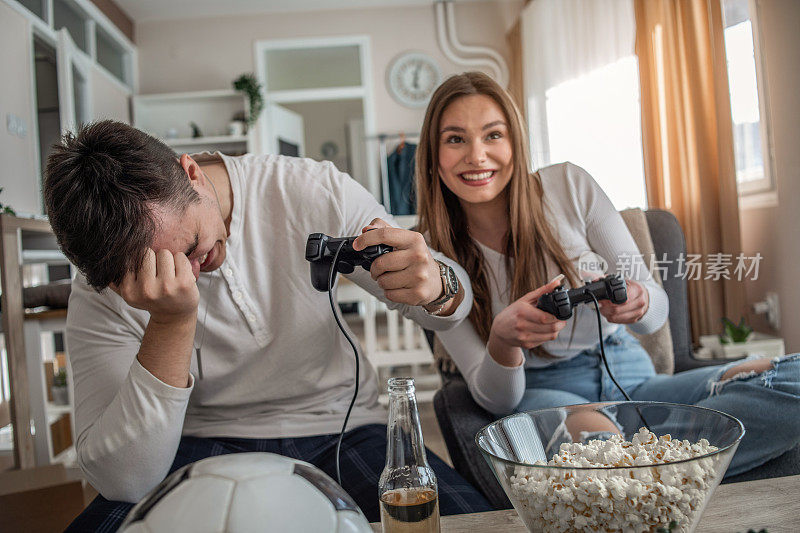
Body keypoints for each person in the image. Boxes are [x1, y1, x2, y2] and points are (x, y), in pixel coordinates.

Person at [45, 120, 492, 531]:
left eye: (193, 245)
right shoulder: (101, 284)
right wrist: (170, 321)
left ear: (191, 174)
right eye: (160, 271)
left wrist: (437, 283)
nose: (191, 272)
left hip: (342, 428)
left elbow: (453, 305)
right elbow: (126, 479)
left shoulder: (307, 188)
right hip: (194, 442)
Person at [415, 71, 800, 477]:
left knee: (791, 377)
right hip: (542, 389)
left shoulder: (568, 185)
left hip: (630, 371)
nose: (477, 156)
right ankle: (659, 463)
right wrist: (503, 340)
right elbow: (494, 400)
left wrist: (641, 300)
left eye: (493, 135)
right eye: (455, 139)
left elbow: (655, 311)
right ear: (433, 154)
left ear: (515, 142)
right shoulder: (431, 261)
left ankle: (649, 468)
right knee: (602, 458)